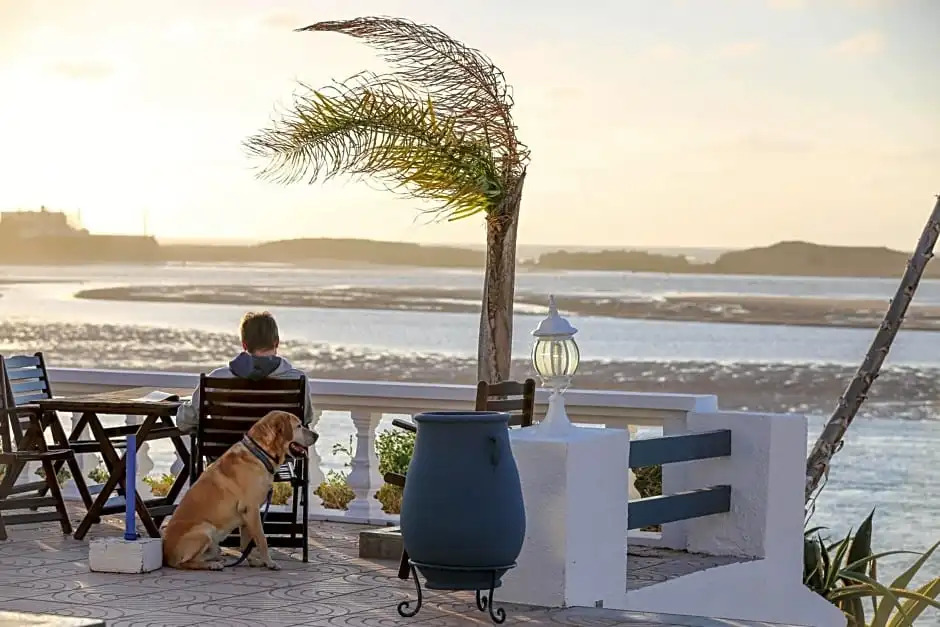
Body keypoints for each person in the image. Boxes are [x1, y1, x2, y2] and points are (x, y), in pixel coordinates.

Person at [176, 311, 314, 434]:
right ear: (276, 343)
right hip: (275, 455)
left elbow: (185, 422)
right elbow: (305, 418)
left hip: (227, 453)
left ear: (244, 345)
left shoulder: (217, 379)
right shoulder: (297, 379)